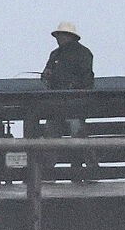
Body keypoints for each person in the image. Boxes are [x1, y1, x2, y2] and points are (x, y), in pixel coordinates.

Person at [41, 22, 96, 179]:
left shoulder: (83, 53)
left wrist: (72, 87)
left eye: (61, 35)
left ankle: (90, 168)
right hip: (56, 105)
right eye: (58, 35)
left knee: (77, 134)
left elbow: (87, 79)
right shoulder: (55, 54)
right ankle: (47, 172)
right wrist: (47, 76)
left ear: (70, 36)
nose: (59, 38)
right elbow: (45, 77)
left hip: (75, 105)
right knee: (51, 135)